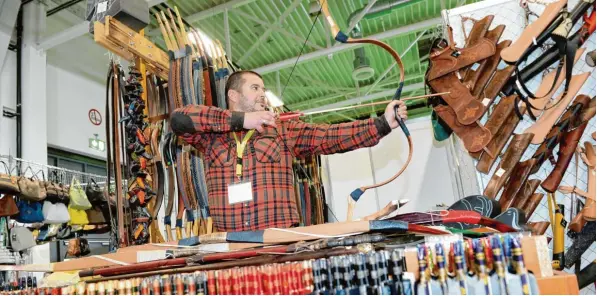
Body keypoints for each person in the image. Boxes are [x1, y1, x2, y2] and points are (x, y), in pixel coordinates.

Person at [171, 70, 407, 232]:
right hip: (232, 245)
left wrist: (382, 124)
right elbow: (179, 119)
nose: (262, 94)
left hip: (279, 241)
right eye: (254, 88)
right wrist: (242, 120)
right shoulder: (212, 136)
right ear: (233, 95)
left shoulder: (282, 129)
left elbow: (330, 137)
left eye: (263, 88)